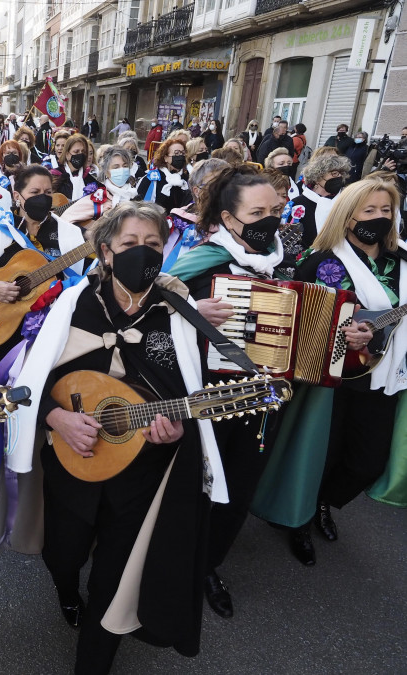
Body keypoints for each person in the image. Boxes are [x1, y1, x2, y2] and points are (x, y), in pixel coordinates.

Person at [7, 200, 224, 673]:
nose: (142, 253)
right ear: (106, 252)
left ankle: (94, 661)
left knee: (115, 572)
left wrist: (176, 431)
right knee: (63, 554)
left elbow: (188, 389)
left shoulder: (176, 310)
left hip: (142, 470)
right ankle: (66, 588)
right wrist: (55, 418)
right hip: (74, 459)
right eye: (130, 244)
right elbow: (28, 381)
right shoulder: (74, 303)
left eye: (152, 244)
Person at [252, 177, 407, 565]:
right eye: (368, 210)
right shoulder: (322, 262)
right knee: (318, 454)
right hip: (331, 380)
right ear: (347, 215)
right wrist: (341, 334)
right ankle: (300, 517)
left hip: (387, 376)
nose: (379, 218)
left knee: (366, 461)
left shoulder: (401, 260)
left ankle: (325, 501)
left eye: (385, 210)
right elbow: (295, 320)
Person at [168, 167, 287, 618]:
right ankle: (175, 558)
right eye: (257, 212)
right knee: (196, 485)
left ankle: (208, 563)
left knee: (239, 485)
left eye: (275, 210)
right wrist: (192, 311)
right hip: (208, 396)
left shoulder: (284, 258)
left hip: (263, 397)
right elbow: (149, 305)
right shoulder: (202, 259)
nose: (269, 220)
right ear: (227, 218)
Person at [0, 164, 86, 366]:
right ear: (17, 195)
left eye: (48, 192)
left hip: (51, 332)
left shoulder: (69, 234)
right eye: (35, 192)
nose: (43, 197)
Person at [285, 153, 352, 248]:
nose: (339, 177)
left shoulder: (344, 202)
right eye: (334, 173)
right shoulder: (298, 204)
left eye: (341, 173)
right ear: (318, 176)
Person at [136, 137, 191, 212]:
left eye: (183, 153)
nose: (181, 156)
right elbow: (140, 206)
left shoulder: (187, 179)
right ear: (165, 158)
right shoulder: (152, 179)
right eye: (176, 153)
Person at [51, 133, 104, 201]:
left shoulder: (90, 179)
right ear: (67, 154)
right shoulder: (55, 176)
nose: (80, 155)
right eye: (76, 152)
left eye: (83, 152)